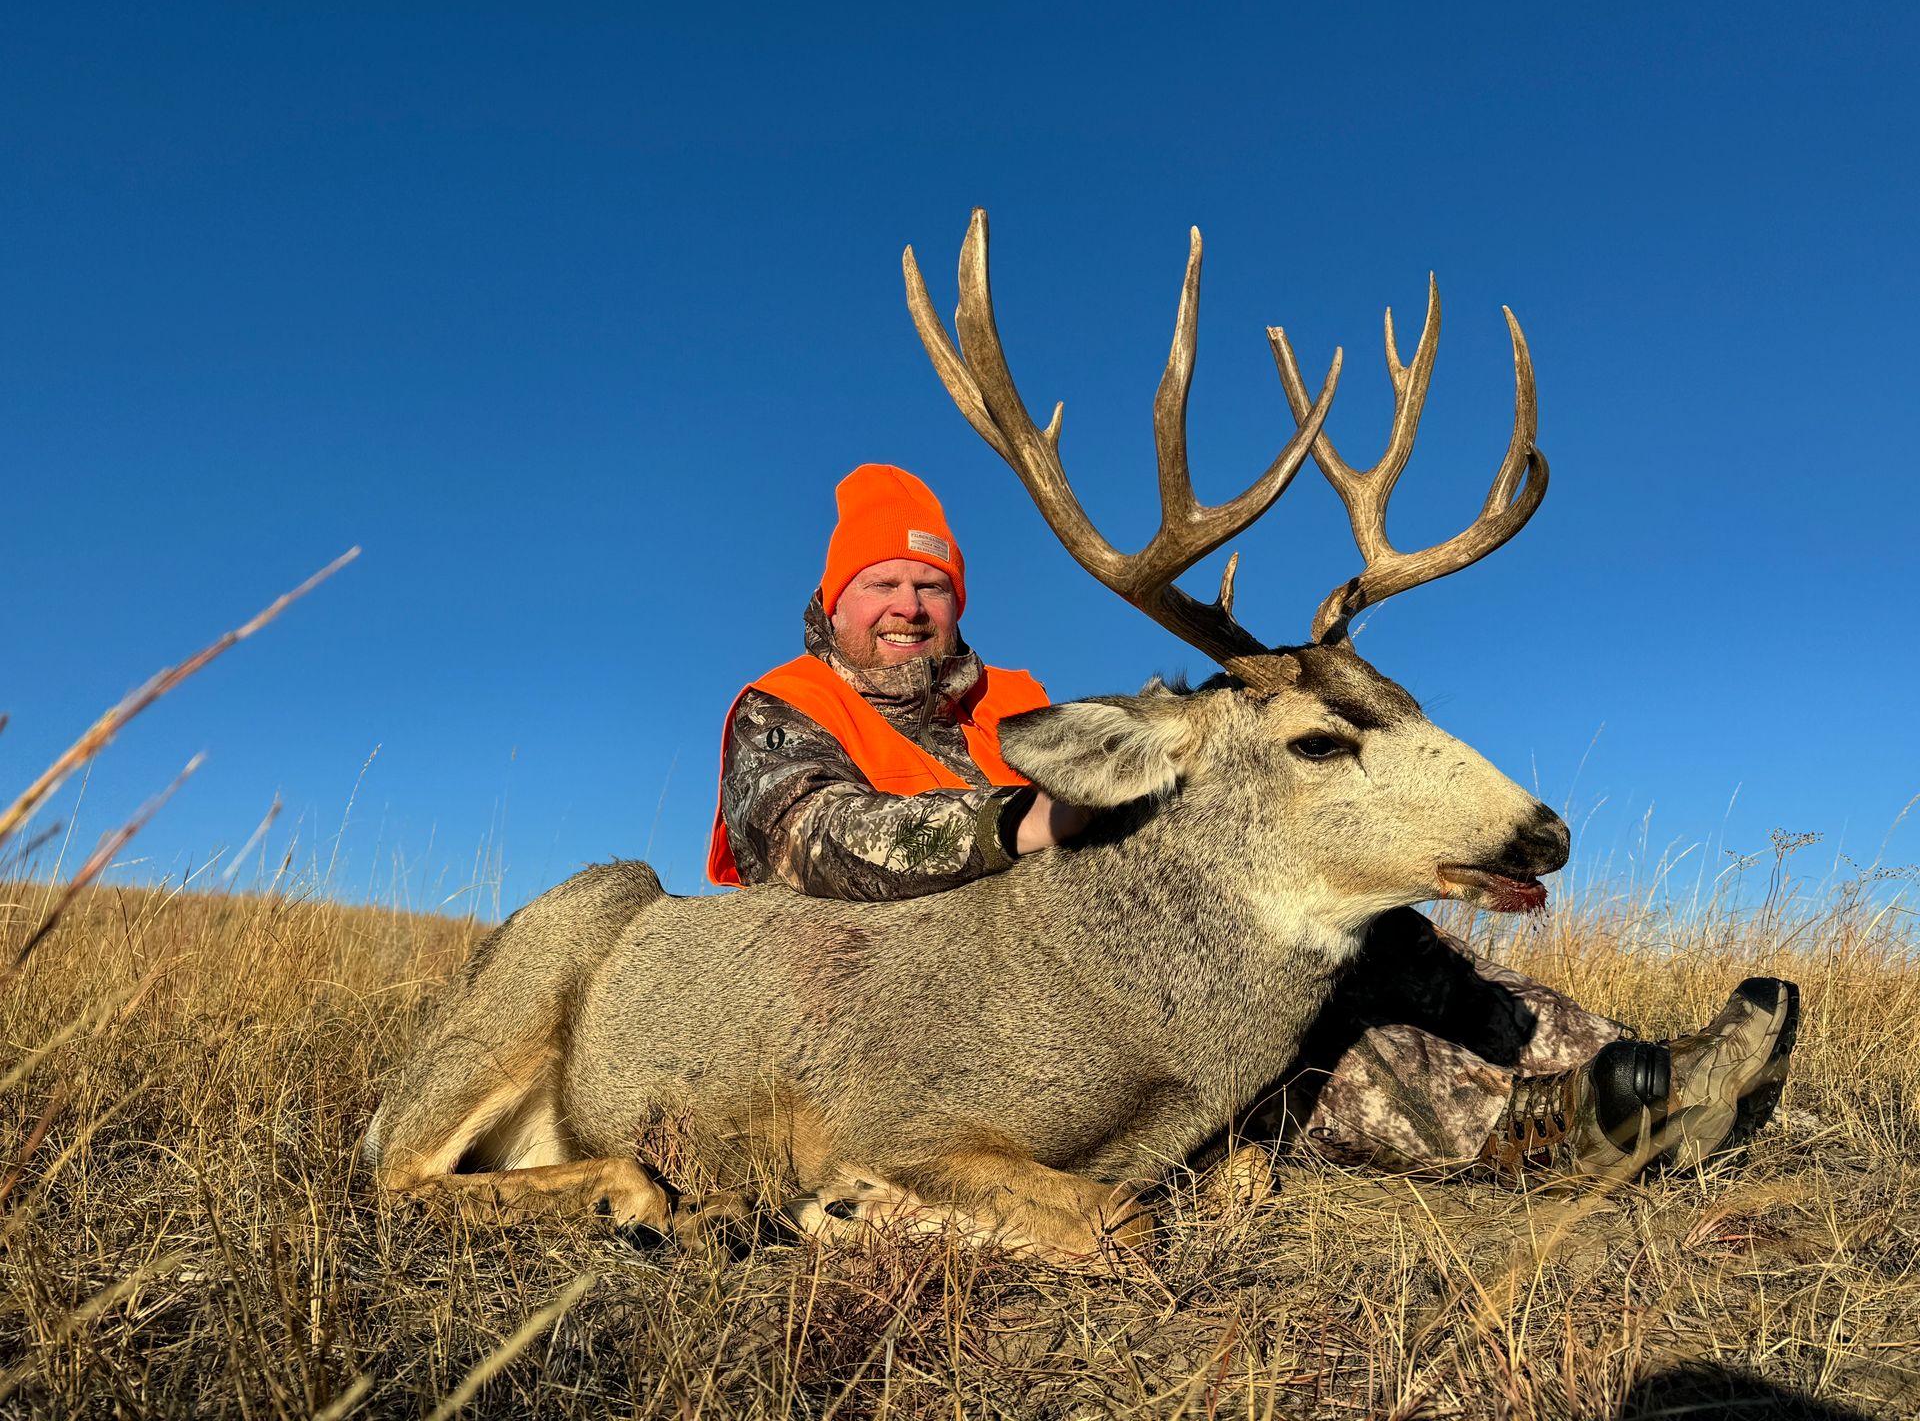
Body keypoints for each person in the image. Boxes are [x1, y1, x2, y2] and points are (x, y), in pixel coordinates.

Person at [708, 464, 1799, 1182]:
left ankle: (1650, 1068)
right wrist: (1018, 825)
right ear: (837, 602)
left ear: (957, 601)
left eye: (930, 585)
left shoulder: (1015, 699)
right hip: (887, 1005)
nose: (908, 606)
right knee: (1299, 1048)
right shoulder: (785, 707)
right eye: (882, 584)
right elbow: (812, 845)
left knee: (1380, 936)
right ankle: (1542, 1131)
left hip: (1055, 958)